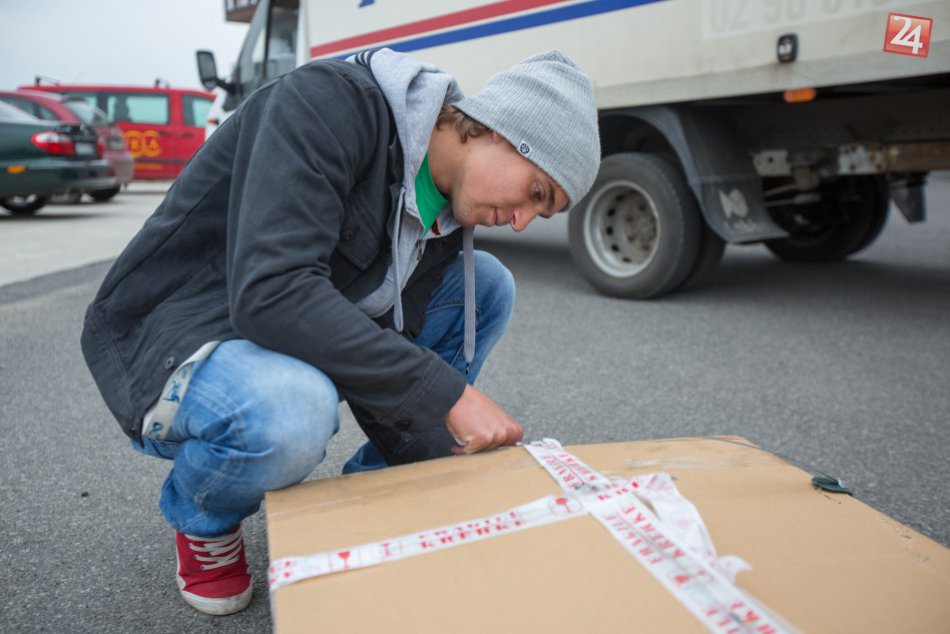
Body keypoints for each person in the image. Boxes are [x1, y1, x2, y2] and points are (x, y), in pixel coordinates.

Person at [80, 47, 599, 616]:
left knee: (489, 285)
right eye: (536, 192)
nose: (523, 221)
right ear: (498, 131)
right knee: (293, 411)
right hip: (178, 335)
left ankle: (373, 494)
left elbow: (382, 344)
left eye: (541, 213)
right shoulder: (327, 103)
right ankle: (205, 516)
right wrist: (451, 393)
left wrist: (450, 464)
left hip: (282, 331)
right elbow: (271, 293)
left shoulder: (446, 215)